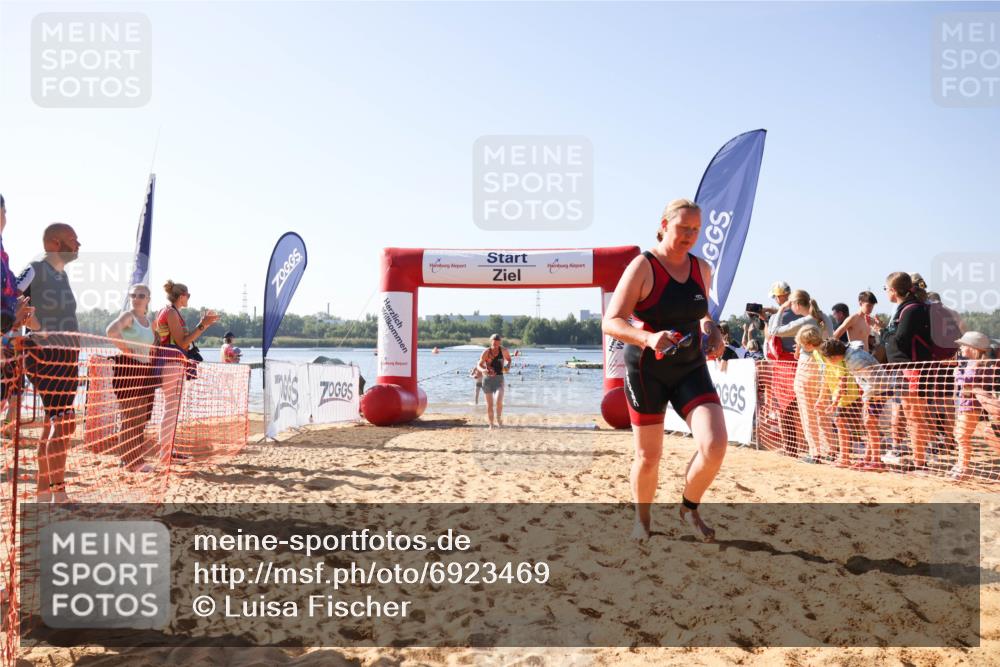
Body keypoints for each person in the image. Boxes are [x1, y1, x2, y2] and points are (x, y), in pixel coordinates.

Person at [603, 198, 726, 542]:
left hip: (689, 367)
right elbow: (611, 321)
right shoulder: (643, 266)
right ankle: (642, 521)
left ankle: (689, 507)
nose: (690, 235)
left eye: (696, 230)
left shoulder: (702, 268)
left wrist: (711, 328)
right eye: (684, 227)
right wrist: (647, 337)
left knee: (715, 445)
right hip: (647, 370)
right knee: (648, 456)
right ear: (663, 224)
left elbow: (701, 312)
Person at [21, 223, 82, 502]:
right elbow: (10, 298)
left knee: (54, 422)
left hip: (67, 356)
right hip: (45, 354)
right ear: (55, 243)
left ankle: (44, 492)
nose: (79, 244)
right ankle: (58, 493)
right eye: (73, 239)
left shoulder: (62, 275)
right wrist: (36, 326)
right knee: (65, 421)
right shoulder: (36, 267)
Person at [154, 280, 219, 461]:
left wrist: (203, 325)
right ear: (181, 296)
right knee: (171, 408)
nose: (189, 298)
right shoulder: (170, 312)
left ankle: (167, 451)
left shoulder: (166, 311)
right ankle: (166, 453)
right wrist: (202, 325)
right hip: (172, 362)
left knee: (172, 407)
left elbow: (167, 338)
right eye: (188, 295)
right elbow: (183, 342)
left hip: (171, 362)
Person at [880, 271, 933, 471]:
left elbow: (901, 338)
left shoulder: (911, 309)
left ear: (893, 290)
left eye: (886, 289)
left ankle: (920, 461)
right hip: (908, 369)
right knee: (913, 414)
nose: (886, 293)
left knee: (914, 415)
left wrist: (885, 335)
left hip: (912, 369)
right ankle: (919, 458)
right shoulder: (911, 307)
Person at [106, 284, 158, 472]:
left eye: (141, 295)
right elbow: (111, 332)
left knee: (141, 418)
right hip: (128, 369)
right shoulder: (128, 316)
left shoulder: (148, 321)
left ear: (148, 299)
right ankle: (128, 460)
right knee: (129, 417)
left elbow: (150, 348)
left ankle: (136, 458)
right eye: (133, 295)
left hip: (144, 370)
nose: (136, 298)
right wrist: (126, 349)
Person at [950, 332, 997, 480]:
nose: (961, 347)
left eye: (964, 345)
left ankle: (963, 468)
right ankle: (961, 465)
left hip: (969, 406)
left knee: (962, 436)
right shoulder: (977, 364)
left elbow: (967, 382)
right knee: (960, 435)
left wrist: (957, 373)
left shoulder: (976, 364)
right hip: (967, 405)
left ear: (973, 347)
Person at [793, 325, 829, 463]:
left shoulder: (818, 353)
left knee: (810, 419)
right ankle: (827, 450)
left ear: (808, 343)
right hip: (814, 390)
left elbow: (824, 374)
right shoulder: (821, 351)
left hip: (810, 390)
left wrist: (822, 394)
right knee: (820, 418)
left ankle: (815, 453)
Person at [477, 333, 511, 428]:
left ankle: (499, 420)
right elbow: (478, 365)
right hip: (487, 380)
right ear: (491, 342)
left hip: (499, 379)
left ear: (500, 342)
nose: (495, 345)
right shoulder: (486, 352)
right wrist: (483, 370)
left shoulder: (503, 351)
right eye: (494, 343)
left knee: (499, 401)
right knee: (490, 405)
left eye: (497, 343)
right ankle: (491, 424)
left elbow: (509, 359)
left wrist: (507, 366)